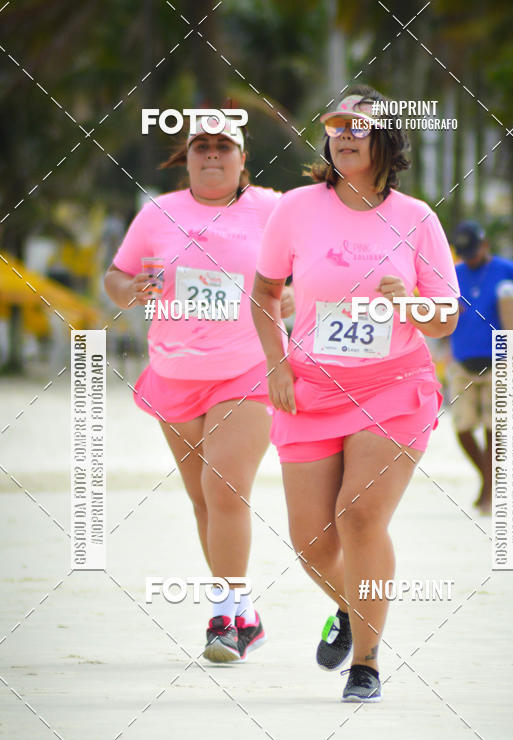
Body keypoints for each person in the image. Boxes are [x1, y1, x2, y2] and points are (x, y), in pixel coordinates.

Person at [251, 86, 459, 703]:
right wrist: (277, 364)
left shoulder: (417, 218)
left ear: (386, 138)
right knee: (314, 543)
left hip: (394, 387)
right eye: (335, 124)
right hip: (311, 388)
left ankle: (365, 663)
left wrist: (412, 304)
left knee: (360, 516)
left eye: (358, 125)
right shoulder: (294, 208)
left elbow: (446, 316)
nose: (344, 133)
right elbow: (263, 295)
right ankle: (351, 607)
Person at [104, 113, 293, 663]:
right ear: (186, 158)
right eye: (201, 147)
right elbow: (115, 277)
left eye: (223, 147)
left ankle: (223, 616)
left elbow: (310, 269)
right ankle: (247, 614)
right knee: (202, 501)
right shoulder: (158, 213)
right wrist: (130, 289)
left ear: (242, 159)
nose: (212, 155)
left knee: (225, 490)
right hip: (175, 374)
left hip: (247, 369)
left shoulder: (273, 208)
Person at [449, 221, 513, 514]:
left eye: (473, 250)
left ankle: (488, 492)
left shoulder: (508, 270)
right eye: (463, 252)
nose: (469, 257)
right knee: (463, 428)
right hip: (462, 362)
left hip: (501, 362)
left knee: (495, 429)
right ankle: (487, 481)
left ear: (485, 245)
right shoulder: (454, 274)